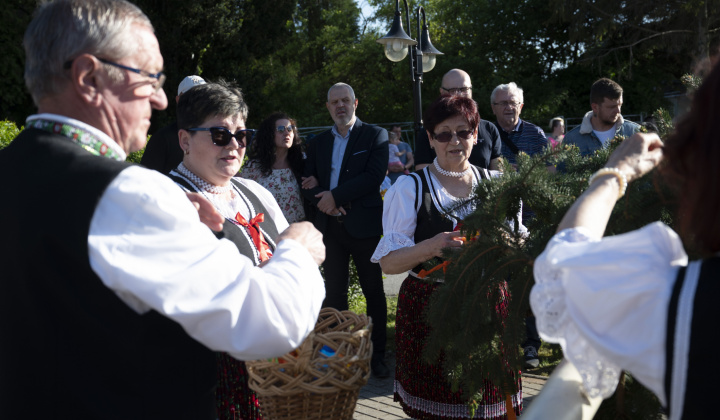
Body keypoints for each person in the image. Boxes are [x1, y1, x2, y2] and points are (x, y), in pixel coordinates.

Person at [0, 1, 325, 418]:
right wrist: (298, 249)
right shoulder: (127, 194)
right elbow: (269, 323)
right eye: (149, 77)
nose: (158, 100)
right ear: (88, 77)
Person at [530, 61, 720, 420]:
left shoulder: (679, 300)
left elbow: (566, 259)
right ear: (595, 105)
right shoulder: (571, 141)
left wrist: (615, 174)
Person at [372, 95, 524, 419]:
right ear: (430, 138)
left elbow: (521, 249)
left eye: (463, 132)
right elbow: (389, 264)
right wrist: (432, 246)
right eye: (443, 133)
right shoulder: (410, 188)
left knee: (491, 404)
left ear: (476, 133)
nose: (454, 141)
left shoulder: (497, 185)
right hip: (429, 311)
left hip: (487, 307)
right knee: (438, 406)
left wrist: (501, 242)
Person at [169, 81, 290, 419]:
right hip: (205, 374)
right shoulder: (169, 201)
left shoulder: (253, 191)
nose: (234, 146)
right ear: (185, 140)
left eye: (242, 135)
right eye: (220, 135)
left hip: (269, 367)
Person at [301, 82, 390, 378]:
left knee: (373, 292)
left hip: (363, 227)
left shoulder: (375, 135)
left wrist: (335, 197)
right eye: (334, 102)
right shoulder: (317, 143)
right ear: (327, 107)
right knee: (334, 295)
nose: (340, 106)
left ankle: (378, 356)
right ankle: (336, 355)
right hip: (331, 229)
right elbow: (309, 182)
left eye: (345, 100)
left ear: (355, 103)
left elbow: (374, 176)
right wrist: (326, 199)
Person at [415, 69, 503, 170]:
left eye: (464, 89)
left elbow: (498, 177)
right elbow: (423, 175)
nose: (459, 94)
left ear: (474, 134)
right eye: (453, 90)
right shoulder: (430, 131)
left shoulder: (489, 129)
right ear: (442, 92)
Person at [241, 112, 307, 223]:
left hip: (297, 230)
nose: (287, 133)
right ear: (269, 134)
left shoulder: (303, 161)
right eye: (281, 129)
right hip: (267, 230)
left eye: (290, 128)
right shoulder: (254, 167)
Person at [141, 75, 206, 174]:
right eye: (190, 96)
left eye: (202, 95)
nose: (197, 100)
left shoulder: (215, 136)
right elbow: (145, 181)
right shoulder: (162, 138)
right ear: (178, 100)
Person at [563, 78, 641, 156]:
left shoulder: (635, 132)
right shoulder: (572, 139)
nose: (618, 111)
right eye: (612, 107)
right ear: (595, 107)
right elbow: (560, 168)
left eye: (620, 105)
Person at [490, 82, 549, 169]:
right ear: (493, 108)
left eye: (513, 103)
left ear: (520, 107)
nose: (509, 107)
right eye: (503, 103)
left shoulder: (535, 134)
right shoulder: (486, 134)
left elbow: (550, 170)